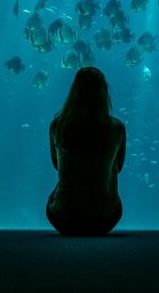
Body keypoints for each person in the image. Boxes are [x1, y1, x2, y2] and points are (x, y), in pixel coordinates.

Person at [46, 67, 126, 236]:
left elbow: (57, 166)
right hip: (104, 220)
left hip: (62, 219)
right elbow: (117, 167)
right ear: (104, 92)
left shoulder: (57, 126)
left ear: (73, 91)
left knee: (55, 193)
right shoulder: (117, 128)